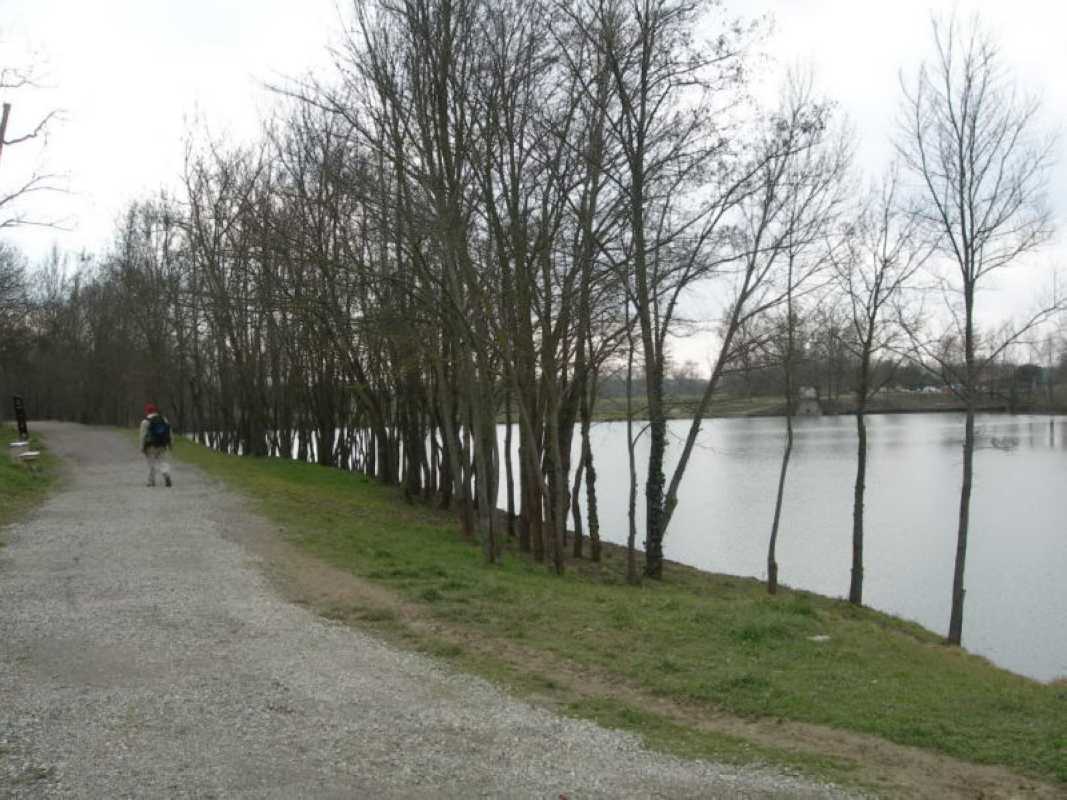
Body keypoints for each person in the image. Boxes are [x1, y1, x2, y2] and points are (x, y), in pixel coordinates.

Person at [139, 403, 173, 487]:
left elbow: (142, 436)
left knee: (151, 464)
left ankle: (151, 481)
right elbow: (169, 432)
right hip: (162, 444)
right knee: (163, 461)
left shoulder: (145, 422)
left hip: (150, 446)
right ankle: (166, 474)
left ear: (147, 411)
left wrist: (142, 447)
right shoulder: (164, 419)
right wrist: (171, 443)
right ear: (155, 410)